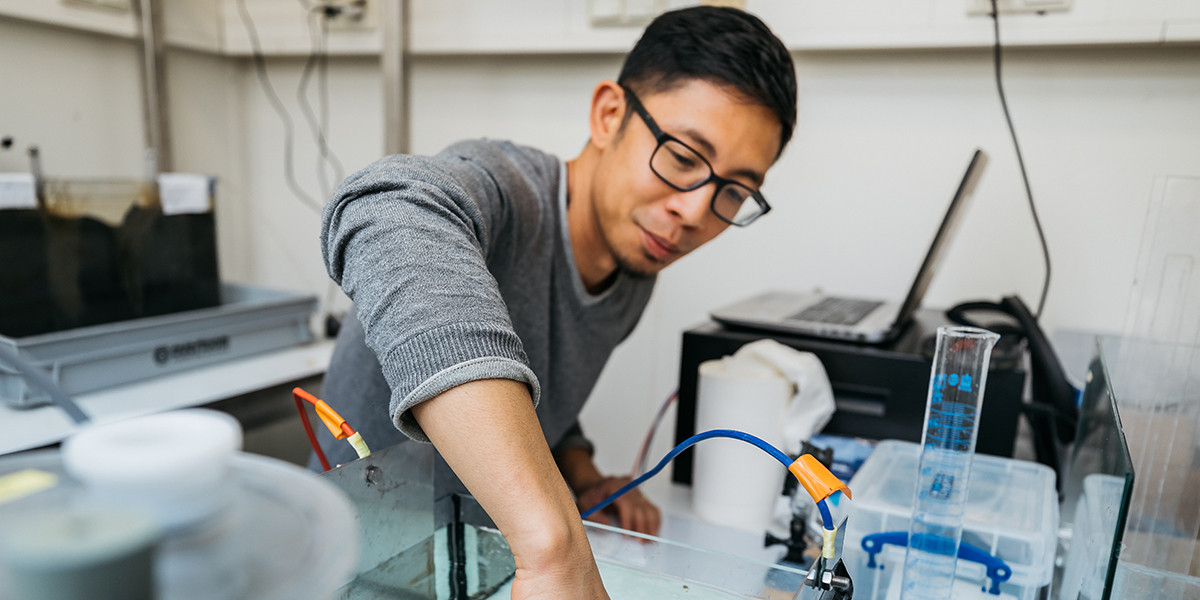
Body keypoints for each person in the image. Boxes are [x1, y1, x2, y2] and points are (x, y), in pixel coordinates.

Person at [315, 5, 797, 598]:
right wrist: (553, 545)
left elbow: (539, 375)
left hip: (484, 568)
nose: (694, 212)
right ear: (609, 114)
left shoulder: (635, 267)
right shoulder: (507, 192)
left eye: (734, 192)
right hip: (364, 559)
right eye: (681, 158)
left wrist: (580, 469)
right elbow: (387, 208)